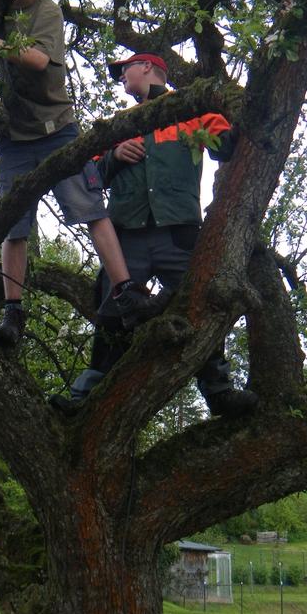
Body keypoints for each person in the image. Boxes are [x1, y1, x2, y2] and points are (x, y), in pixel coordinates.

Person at [0, 0, 160, 345]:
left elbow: (35, 59)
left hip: (57, 130)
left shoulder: (47, 12)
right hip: (14, 138)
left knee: (89, 207)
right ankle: (13, 313)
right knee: (12, 225)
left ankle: (125, 291)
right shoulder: (0, 10)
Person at [52, 52, 258, 418]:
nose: (121, 78)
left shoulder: (189, 112)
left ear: (147, 67)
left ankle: (219, 389)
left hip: (178, 232)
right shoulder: (118, 125)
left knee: (204, 302)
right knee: (112, 311)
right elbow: (91, 178)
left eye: (124, 69)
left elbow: (226, 147)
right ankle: (85, 396)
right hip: (126, 235)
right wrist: (115, 155)